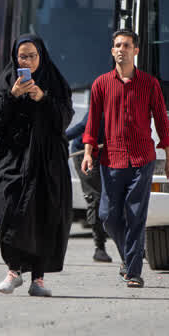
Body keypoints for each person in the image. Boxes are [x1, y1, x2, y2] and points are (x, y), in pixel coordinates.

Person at [82, 29, 169, 289]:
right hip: (111, 160)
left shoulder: (149, 83)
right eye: (117, 45)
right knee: (108, 216)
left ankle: (133, 271)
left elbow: (162, 120)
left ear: (136, 50)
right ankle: (129, 256)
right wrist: (89, 151)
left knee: (136, 215)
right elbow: (92, 121)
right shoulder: (101, 84)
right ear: (112, 51)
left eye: (126, 45)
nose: (121, 49)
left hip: (141, 159)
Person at [0, 35, 73, 297]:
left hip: (46, 163)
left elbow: (64, 119)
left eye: (32, 56)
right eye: (22, 56)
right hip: (12, 160)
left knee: (43, 216)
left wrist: (43, 98)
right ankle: (13, 271)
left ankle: (38, 278)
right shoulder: (6, 81)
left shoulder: (54, 83)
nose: (26, 61)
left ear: (41, 56)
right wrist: (13, 96)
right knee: (9, 209)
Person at [66, 110, 112, 263]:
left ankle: (134, 246)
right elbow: (83, 126)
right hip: (84, 153)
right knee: (95, 197)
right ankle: (99, 247)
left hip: (108, 152)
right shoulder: (104, 100)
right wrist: (60, 139)